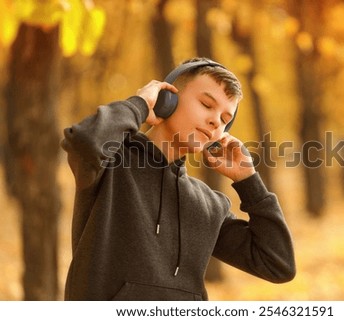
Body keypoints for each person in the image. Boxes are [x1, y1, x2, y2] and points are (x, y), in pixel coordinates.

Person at [61, 57, 296, 300]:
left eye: (225, 120)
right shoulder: (110, 165)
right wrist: (139, 105)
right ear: (167, 101)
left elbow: (278, 264)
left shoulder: (209, 205)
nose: (216, 121)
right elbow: (83, 140)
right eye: (206, 104)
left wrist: (248, 180)